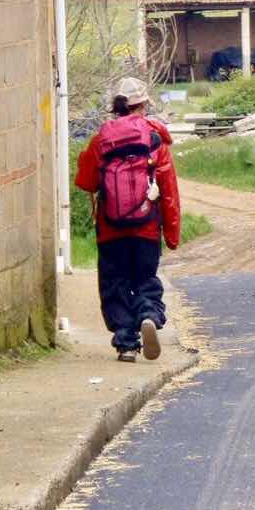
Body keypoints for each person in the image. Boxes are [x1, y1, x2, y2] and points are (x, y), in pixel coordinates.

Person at [75, 77, 180, 363]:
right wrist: (172, 234)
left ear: (116, 106)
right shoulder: (155, 139)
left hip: (110, 229)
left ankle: (126, 344)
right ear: (143, 105)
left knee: (114, 283)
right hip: (146, 227)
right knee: (145, 278)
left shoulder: (101, 139)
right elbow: (168, 190)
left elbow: (85, 182)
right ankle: (147, 315)